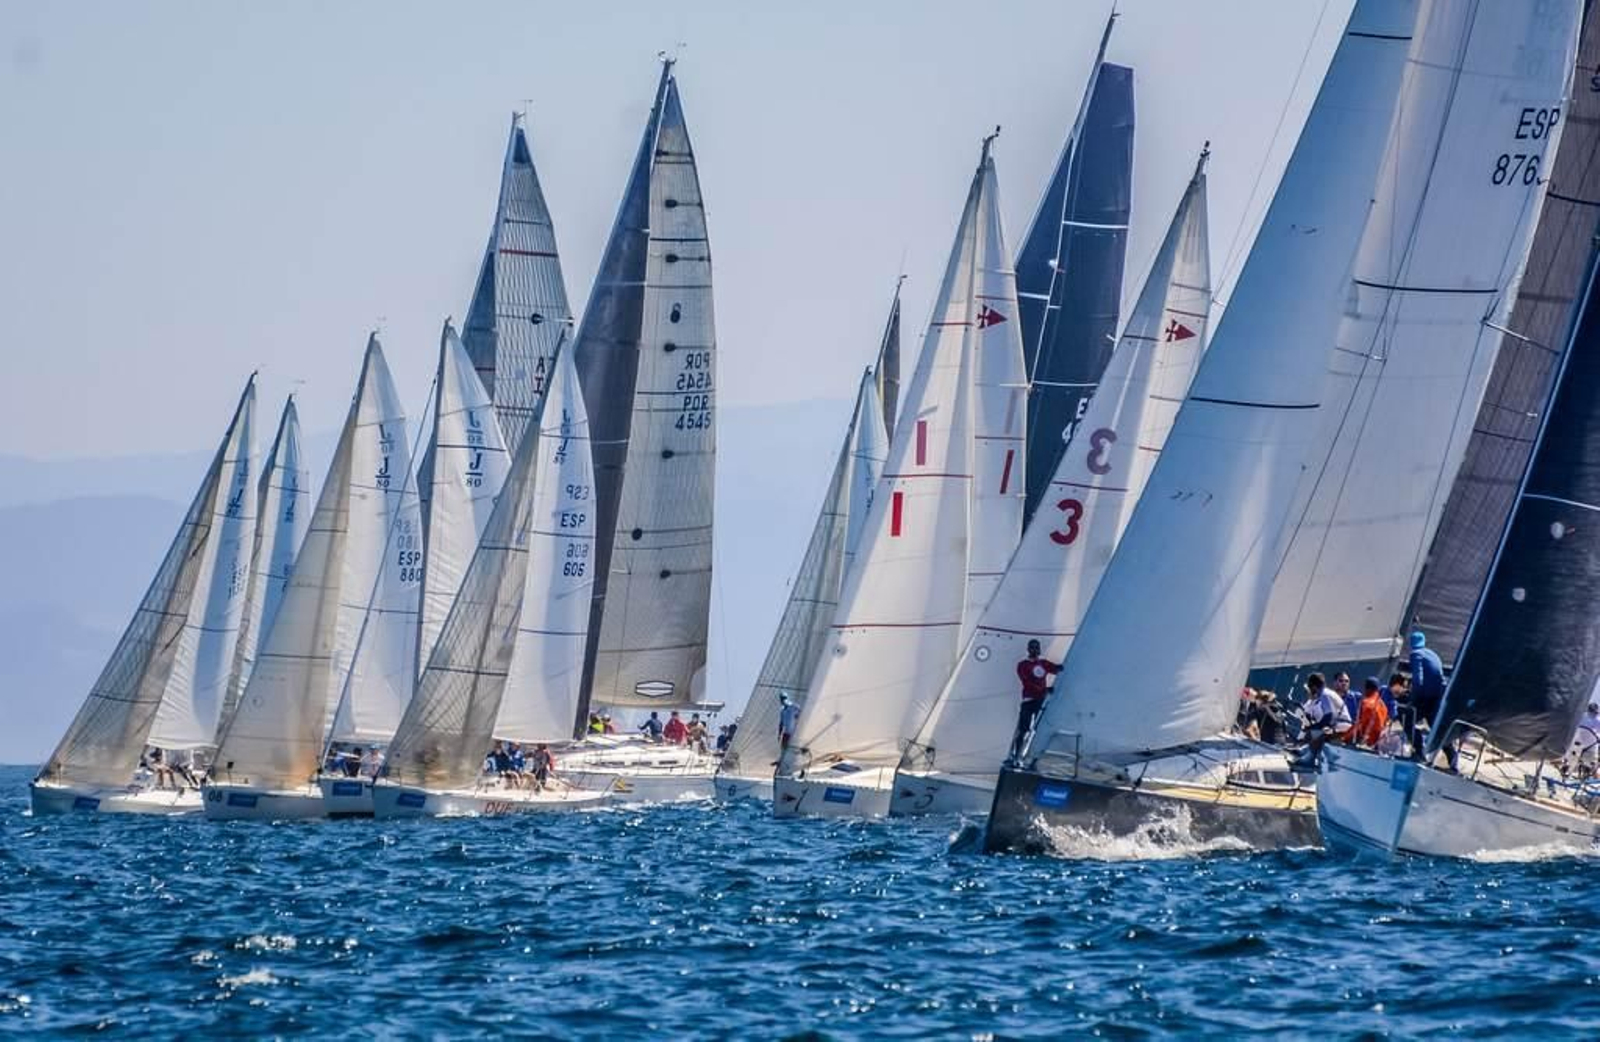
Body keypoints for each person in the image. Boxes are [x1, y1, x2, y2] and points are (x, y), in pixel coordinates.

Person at [1009, 639, 1061, 765]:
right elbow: (1026, 682)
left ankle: (1032, 757)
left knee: (1037, 729)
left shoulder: (1043, 663)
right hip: (1028, 701)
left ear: (1039, 649)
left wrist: (1061, 667)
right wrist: (1044, 690)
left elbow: (1056, 669)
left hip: (1040, 701)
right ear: (1028, 649)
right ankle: (1015, 756)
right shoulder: (1022, 665)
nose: (1034, 650)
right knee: (1023, 729)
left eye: (1036, 647)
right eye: (1032, 647)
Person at [1297, 673, 1350, 767]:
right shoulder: (1325, 693)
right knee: (1315, 731)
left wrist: (1316, 726)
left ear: (1314, 686)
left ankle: (1309, 760)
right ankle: (1308, 751)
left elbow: (1329, 715)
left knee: (1315, 732)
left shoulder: (1325, 695)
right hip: (1337, 724)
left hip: (1343, 724)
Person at [1348, 677, 1390, 749]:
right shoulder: (1383, 706)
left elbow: (1360, 726)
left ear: (1366, 688)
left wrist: (1344, 738)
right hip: (1378, 744)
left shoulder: (1366, 703)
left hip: (1366, 743)